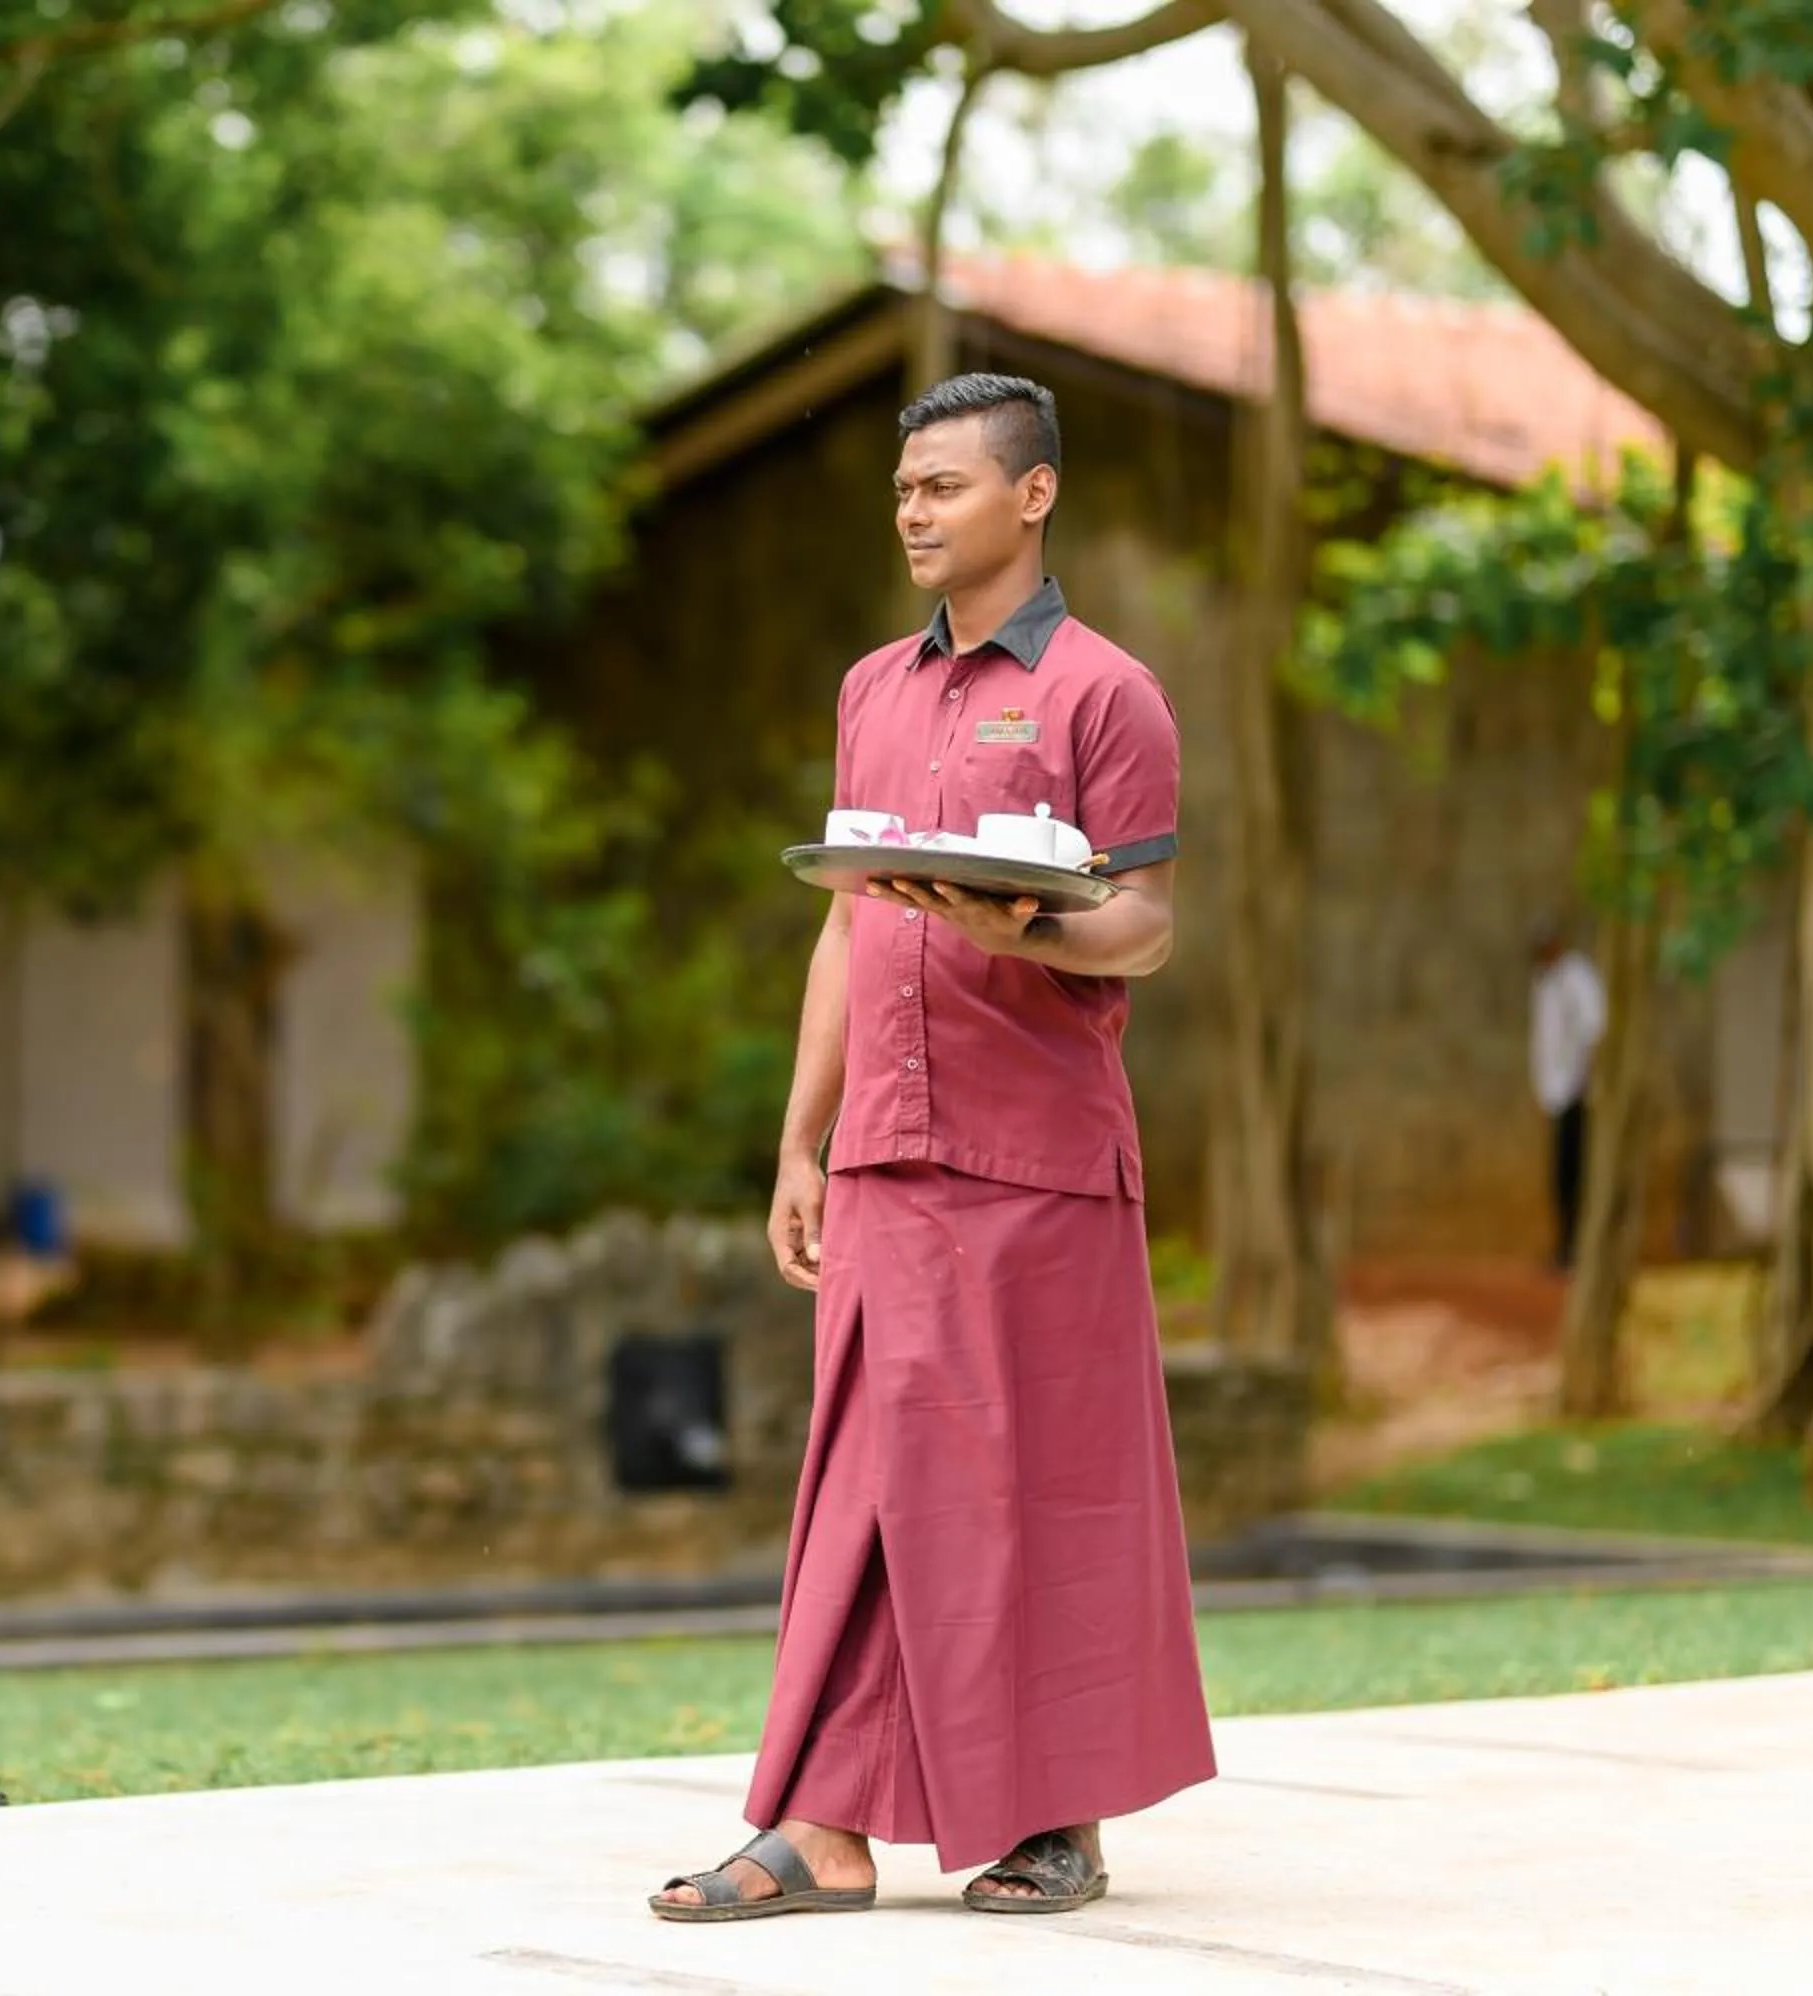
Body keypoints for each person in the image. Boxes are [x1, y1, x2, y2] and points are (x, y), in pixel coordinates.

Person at [649, 372, 1213, 1924]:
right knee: (870, 1474)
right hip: (891, 1147)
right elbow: (846, 918)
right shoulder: (871, 691)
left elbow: (1148, 928)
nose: (914, 511)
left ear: (1031, 498)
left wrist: (1021, 926)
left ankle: (1054, 1822)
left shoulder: (1109, 694)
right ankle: (823, 1824)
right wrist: (802, 1138)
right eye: (904, 490)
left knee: (1046, 1480)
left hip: (1041, 1152)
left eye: (945, 486)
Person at [1529, 922, 1607, 1270]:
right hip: (1556, 1091)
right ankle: (1565, 1246)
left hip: (1577, 1089)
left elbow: (1592, 1030)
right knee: (1561, 1174)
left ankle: (1576, 1249)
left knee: (1574, 1172)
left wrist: (1588, 1080)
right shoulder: (1545, 983)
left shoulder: (1577, 979)